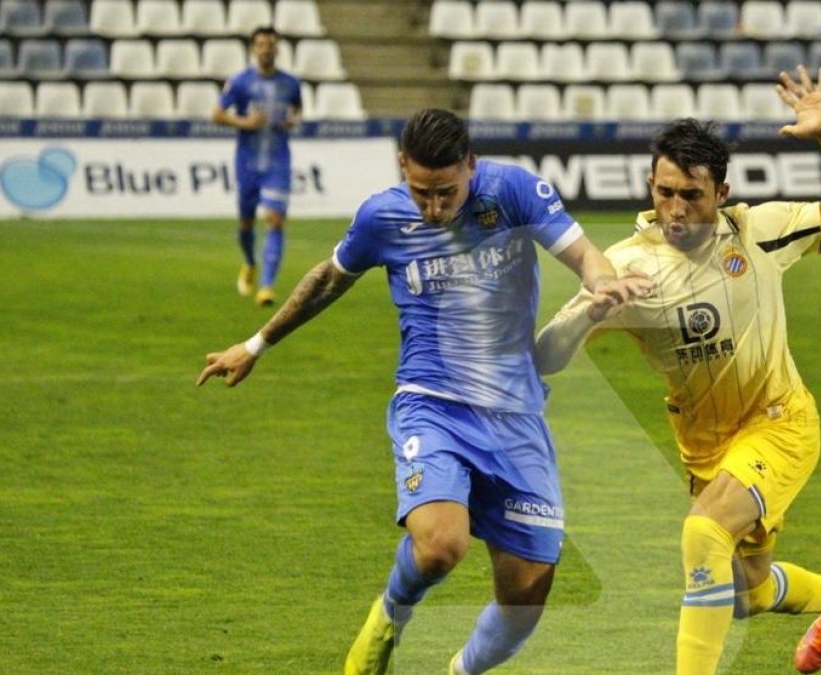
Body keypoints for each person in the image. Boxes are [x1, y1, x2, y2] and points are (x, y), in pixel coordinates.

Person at [196, 109, 650, 675]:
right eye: (421, 192)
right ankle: (390, 617)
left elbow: (583, 254)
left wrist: (603, 282)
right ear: (401, 167)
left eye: (446, 193)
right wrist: (256, 344)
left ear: (471, 166)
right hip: (431, 404)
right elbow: (327, 280)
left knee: (526, 595)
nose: (433, 208)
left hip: (516, 413)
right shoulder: (381, 217)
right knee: (440, 546)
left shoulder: (513, 192)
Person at [534, 66, 821, 675]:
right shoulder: (624, 268)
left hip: (780, 422)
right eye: (664, 191)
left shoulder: (762, 233)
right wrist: (589, 311)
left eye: (691, 195)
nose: (675, 209)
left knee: (702, 533)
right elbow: (545, 357)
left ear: (721, 193)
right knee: (745, 593)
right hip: (704, 445)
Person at [212, 26, 303, 307]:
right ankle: (250, 262)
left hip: (278, 161)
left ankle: (267, 286)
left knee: (275, 220)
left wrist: (293, 120)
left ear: (276, 49)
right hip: (247, 163)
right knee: (246, 223)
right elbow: (216, 114)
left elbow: (297, 109)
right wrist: (244, 123)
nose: (266, 49)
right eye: (261, 44)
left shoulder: (290, 83)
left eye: (270, 44)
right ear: (254, 49)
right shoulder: (240, 82)